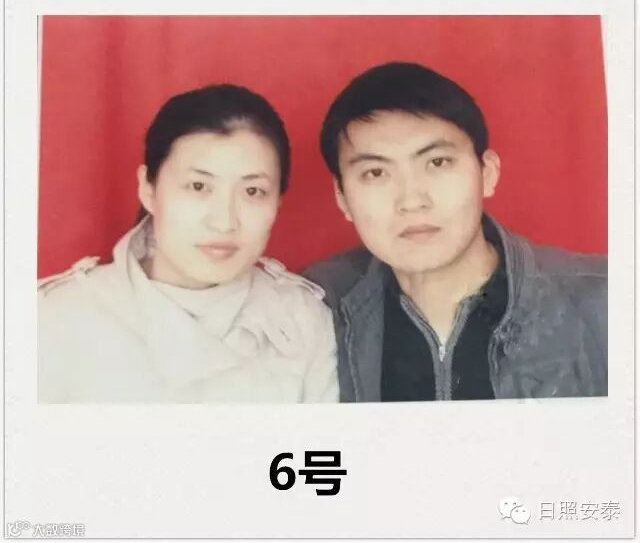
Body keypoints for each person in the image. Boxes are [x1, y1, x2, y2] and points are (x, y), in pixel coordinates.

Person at [304, 61, 607, 401]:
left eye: (438, 162)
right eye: (375, 173)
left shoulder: (608, 302)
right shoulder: (311, 309)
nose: (412, 201)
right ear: (342, 198)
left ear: (487, 173)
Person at [38, 84, 338, 403]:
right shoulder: (54, 318)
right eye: (198, 186)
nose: (224, 221)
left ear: (277, 202)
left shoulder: (303, 320)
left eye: (253, 191)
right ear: (148, 189)